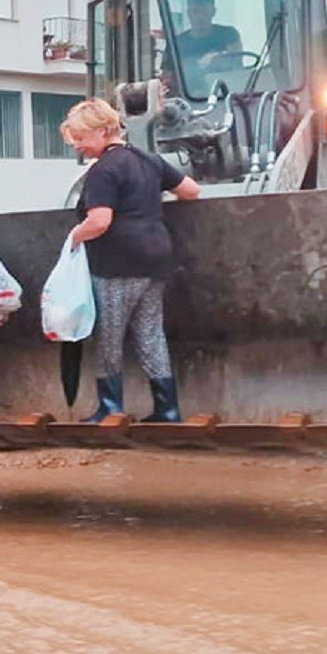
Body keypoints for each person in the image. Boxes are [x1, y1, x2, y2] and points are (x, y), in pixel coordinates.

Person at [62, 98, 201, 423]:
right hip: (156, 260)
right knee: (150, 333)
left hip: (118, 265)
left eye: (81, 138)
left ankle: (110, 407)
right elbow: (192, 191)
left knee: (109, 335)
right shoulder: (148, 159)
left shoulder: (103, 171)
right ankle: (168, 410)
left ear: (101, 130)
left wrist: (73, 238)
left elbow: (99, 221)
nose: (79, 146)